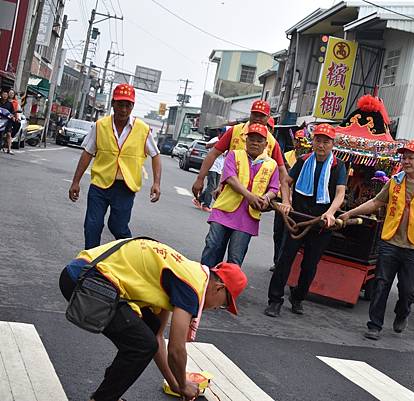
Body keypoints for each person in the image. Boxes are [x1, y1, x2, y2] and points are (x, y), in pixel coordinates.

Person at [59, 238, 247, 401]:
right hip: (86, 281)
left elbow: (157, 336)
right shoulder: (192, 287)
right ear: (219, 288)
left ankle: (109, 392)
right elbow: (176, 349)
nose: (216, 308)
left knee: (147, 334)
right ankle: (104, 398)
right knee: (141, 345)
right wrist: (183, 384)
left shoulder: (187, 273)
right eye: (222, 304)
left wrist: (174, 384)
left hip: (91, 275)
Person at [339, 140, 414, 340]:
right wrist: (349, 213)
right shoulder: (395, 180)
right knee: (381, 284)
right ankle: (374, 325)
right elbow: (375, 202)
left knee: (408, 291)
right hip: (390, 242)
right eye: (403, 157)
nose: (406, 161)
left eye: (411, 158)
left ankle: (402, 313)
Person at [265, 123, 347, 317]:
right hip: (297, 219)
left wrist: (331, 213)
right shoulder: (303, 161)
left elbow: (340, 193)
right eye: (318, 140)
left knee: (310, 265)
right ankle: (275, 300)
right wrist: (286, 201)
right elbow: (285, 181)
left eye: (326, 142)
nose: (321, 145)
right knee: (285, 260)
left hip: (320, 223)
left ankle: (298, 296)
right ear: (313, 142)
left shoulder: (339, 166)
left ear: (332, 144)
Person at [68, 84, 162, 249]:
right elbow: (87, 153)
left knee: (118, 227)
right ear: (113, 104)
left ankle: (131, 255)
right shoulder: (100, 126)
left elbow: (155, 155)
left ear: (132, 106)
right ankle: (92, 263)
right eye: (120, 104)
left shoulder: (143, 129)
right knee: (92, 225)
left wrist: (156, 183)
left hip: (125, 187)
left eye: (128, 105)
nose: (124, 109)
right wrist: (75, 181)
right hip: (100, 185)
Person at [201, 123, 279, 268]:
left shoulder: (272, 164)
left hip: (248, 217)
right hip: (224, 209)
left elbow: (274, 188)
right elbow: (230, 178)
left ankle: (227, 289)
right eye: (251, 139)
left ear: (266, 144)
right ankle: (203, 281)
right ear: (246, 140)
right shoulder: (234, 155)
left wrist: (266, 197)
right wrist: (250, 196)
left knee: (235, 258)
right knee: (212, 246)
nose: (255, 143)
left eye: (259, 140)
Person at [191, 100, 289, 207]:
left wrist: (286, 201)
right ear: (250, 114)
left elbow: (282, 172)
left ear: (268, 117)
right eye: (255, 114)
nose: (257, 118)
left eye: (262, 116)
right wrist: (200, 179)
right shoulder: (235, 131)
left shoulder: (272, 142)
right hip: (227, 195)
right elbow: (213, 154)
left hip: (253, 203)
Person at [271, 129, 308, 271]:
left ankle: (283, 263)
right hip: (283, 200)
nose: (299, 144)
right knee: (278, 232)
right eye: (297, 140)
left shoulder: (307, 160)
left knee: (290, 236)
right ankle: (276, 261)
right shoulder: (286, 156)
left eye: (302, 141)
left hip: (297, 205)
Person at [195, 128, 226, 212]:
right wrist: (215, 144)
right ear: (219, 133)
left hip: (219, 168)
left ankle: (199, 199)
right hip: (212, 166)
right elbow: (207, 146)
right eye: (222, 133)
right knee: (211, 186)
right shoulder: (216, 139)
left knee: (214, 187)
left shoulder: (227, 141)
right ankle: (206, 205)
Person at [0, 88, 15, 154]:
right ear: (1, 95)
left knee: (9, 134)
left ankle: (9, 149)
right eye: (4, 94)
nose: (5, 96)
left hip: (7, 121)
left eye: (6, 95)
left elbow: (12, 113)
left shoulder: (10, 104)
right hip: (0, 120)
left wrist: (13, 117)